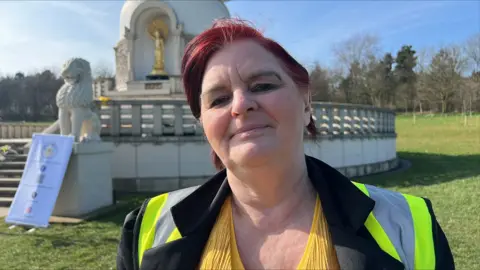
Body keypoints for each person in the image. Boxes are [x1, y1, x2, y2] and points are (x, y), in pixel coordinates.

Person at [116, 18, 454, 270]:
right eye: (218, 100)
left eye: (262, 85)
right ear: (204, 124)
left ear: (306, 103)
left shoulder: (408, 224)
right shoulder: (147, 228)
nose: (240, 105)